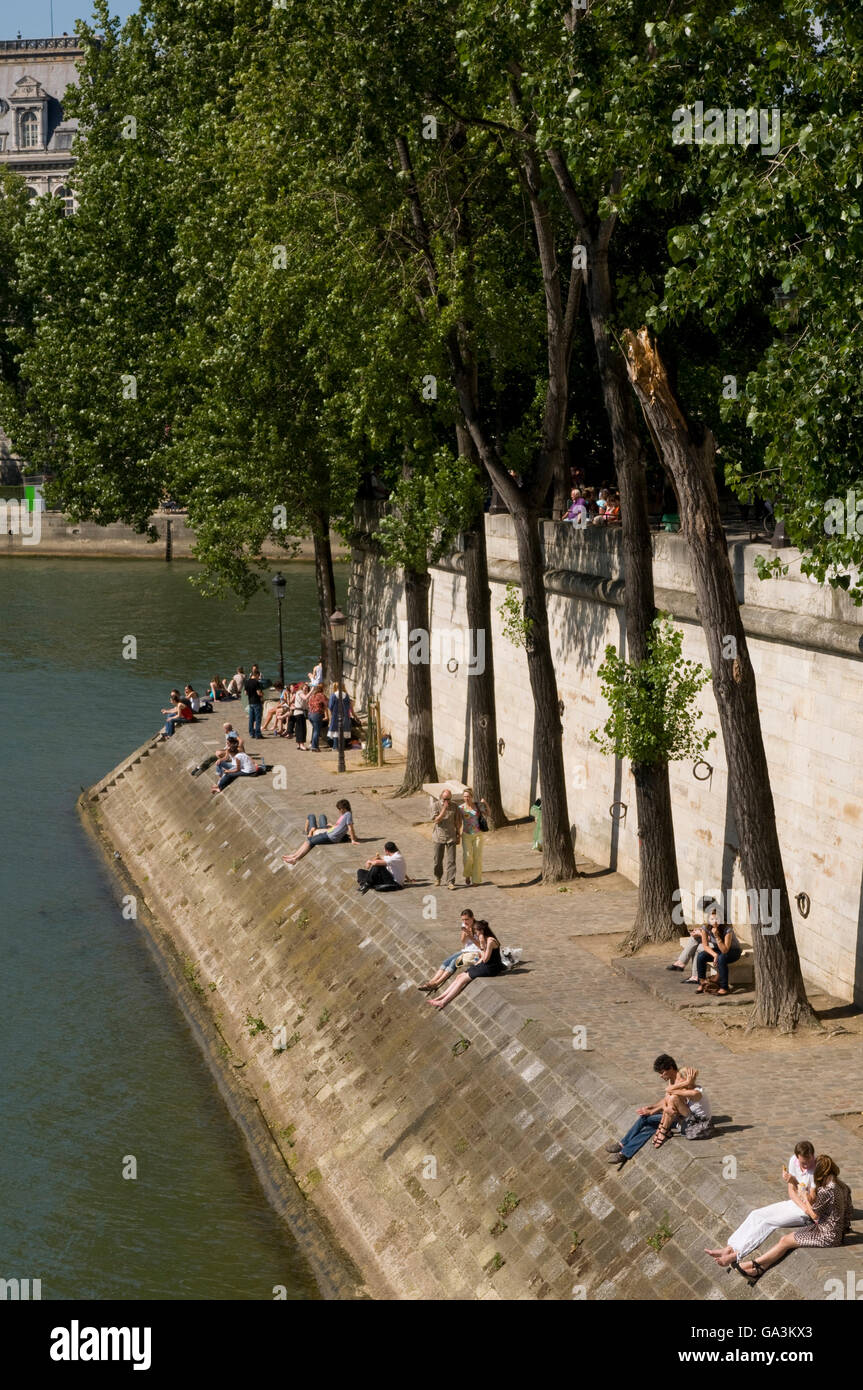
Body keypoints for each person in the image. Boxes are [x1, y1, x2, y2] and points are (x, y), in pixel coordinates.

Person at [736, 1156, 853, 1286]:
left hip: (827, 1235)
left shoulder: (827, 1190)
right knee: (785, 1239)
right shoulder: (842, 1186)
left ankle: (755, 1265)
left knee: (785, 1241)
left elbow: (814, 1215)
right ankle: (758, 1268)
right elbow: (848, 1211)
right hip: (829, 1230)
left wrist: (804, 1197)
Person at [705, 1140, 818, 1269]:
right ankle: (730, 1248)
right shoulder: (793, 1161)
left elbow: (812, 1200)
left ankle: (737, 1254)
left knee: (768, 1223)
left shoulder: (816, 1168)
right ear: (797, 1158)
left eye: (810, 1160)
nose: (807, 1165)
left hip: (806, 1211)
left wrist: (797, 1186)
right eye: (804, 1162)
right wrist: (795, 1189)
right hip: (795, 1203)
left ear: (813, 1155)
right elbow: (791, 1192)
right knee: (756, 1214)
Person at [605, 1055, 711, 1164]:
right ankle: (624, 1152)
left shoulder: (682, 1082)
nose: (660, 1076)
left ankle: (623, 1146)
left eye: (662, 1072)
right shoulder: (672, 1079)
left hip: (681, 1118)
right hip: (675, 1115)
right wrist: (653, 1108)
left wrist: (656, 1111)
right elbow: (667, 1099)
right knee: (649, 1125)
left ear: (670, 1068)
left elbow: (673, 1098)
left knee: (646, 1120)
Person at [428, 921, 505, 1009]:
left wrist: (482, 945)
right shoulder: (484, 938)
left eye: (476, 931)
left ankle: (443, 1002)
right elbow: (482, 958)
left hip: (491, 967)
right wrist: (477, 962)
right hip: (484, 965)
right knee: (459, 976)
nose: (476, 933)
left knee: (462, 980)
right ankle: (440, 997)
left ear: (482, 931)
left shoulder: (490, 940)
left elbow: (485, 958)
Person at [417, 910, 482, 992]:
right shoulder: (465, 925)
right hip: (466, 950)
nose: (465, 921)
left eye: (467, 919)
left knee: (454, 961)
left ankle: (436, 983)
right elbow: (463, 941)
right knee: (446, 961)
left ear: (472, 918)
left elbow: (481, 945)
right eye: (463, 920)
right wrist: (466, 932)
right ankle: (431, 982)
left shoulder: (478, 927)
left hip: (475, 952)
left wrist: (470, 934)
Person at [281, 799, 358, 864]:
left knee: (310, 841)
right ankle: (294, 856)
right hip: (328, 834)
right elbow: (339, 826)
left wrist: (353, 839)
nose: (339, 811)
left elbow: (350, 828)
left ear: (343, 808)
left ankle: (295, 859)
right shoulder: (345, 815)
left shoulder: (348, 815)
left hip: (331, 837)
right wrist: (332, 825)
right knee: (309, 840)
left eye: (339, 809)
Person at [696, 913, 741, 995]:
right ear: (708, 920)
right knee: (701, 956)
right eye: (712, 919)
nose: (715, 922)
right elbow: (705, 946)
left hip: (733, 951)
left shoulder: (727, 929)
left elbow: (725, 950)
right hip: (719, 950)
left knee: (721, 958)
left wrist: (716, 936)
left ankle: (724, 987)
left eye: (717, 919)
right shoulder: (705, 928)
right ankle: (702, 983)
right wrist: (714, 955)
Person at [431, 788, 461, 890]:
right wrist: (444, 808)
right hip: (439, 836)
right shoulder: (435, 805)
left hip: (451, 836)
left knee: (451, 861)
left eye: (448, 799)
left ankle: (450, 882)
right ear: (441, 797)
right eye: (444, 799)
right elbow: (436, 820)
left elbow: (457, 820)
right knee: (438, 860)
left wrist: (458, 834)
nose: (446, 801)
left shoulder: (455, 806)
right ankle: (438, 877)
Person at [460, 787, 486, 886]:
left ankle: (476, 880)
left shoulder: (477, 806)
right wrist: (458, 834)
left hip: (478, 834)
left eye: (468, 796)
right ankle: (467, 874)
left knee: (477, 857)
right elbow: (458, 821)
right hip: (466, 835)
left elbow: (488, 813)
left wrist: (485, 803)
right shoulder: (461, 808)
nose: (466, 798)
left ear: (472, 797)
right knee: (467, 857)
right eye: (465, 796)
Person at [328, 682, 352, 752]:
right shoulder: (346, 695)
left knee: (336, 731)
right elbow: (348, 706)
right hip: (345, 715)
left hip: (335, 715)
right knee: (343, 731)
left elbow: (330, 706)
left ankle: (335, 747)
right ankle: (342, 747)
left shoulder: (333, 695)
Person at [244, 665, 265, 740]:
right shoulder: (256, 682)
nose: (258, 678)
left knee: (251, 719)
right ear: (256, 675)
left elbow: (245, 693)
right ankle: (258, 734)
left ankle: (251, 733)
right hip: (256, 702)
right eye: (258, 676)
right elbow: (259, 693)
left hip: (250, 702)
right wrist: (263, 694)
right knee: (258, 719)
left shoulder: (247, 682)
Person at [307, 683, 328, 751]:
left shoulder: (313, 695)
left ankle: (312, 744)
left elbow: (309, 704)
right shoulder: (321, 695)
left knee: (315, 729)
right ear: (323, 689)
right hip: (317, 714)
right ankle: (314, 747)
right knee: (316, 731)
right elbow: (327, 704)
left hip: (310, 714)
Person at [292, 682, 310, 749]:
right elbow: (305, 698)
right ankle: (301, 744)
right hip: (299, 712)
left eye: (307, 688)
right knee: (301, 729)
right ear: (302, 687)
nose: (306, 689)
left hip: (301, 712)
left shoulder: (302, 693)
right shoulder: (300, 692)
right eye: (305, 688)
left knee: (299, 729)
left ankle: (299, 744)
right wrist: (312, 690)